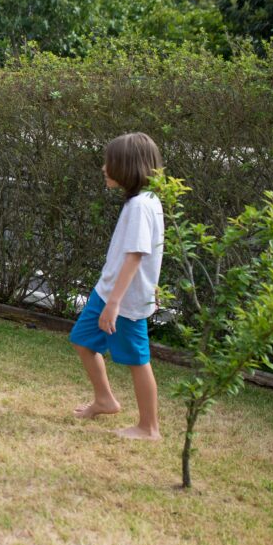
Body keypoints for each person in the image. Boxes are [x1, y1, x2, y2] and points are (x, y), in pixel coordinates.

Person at [69, 132, 164, 440]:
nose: (103, 168)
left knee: (138, 360)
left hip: (123, 301)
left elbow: (137, 256)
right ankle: (104, 399)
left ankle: (149, 427)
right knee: (83, 339)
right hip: (108, 291)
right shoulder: (145, 201)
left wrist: (115, 304)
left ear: (127, 167)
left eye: (109, 163)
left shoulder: (141, 206)